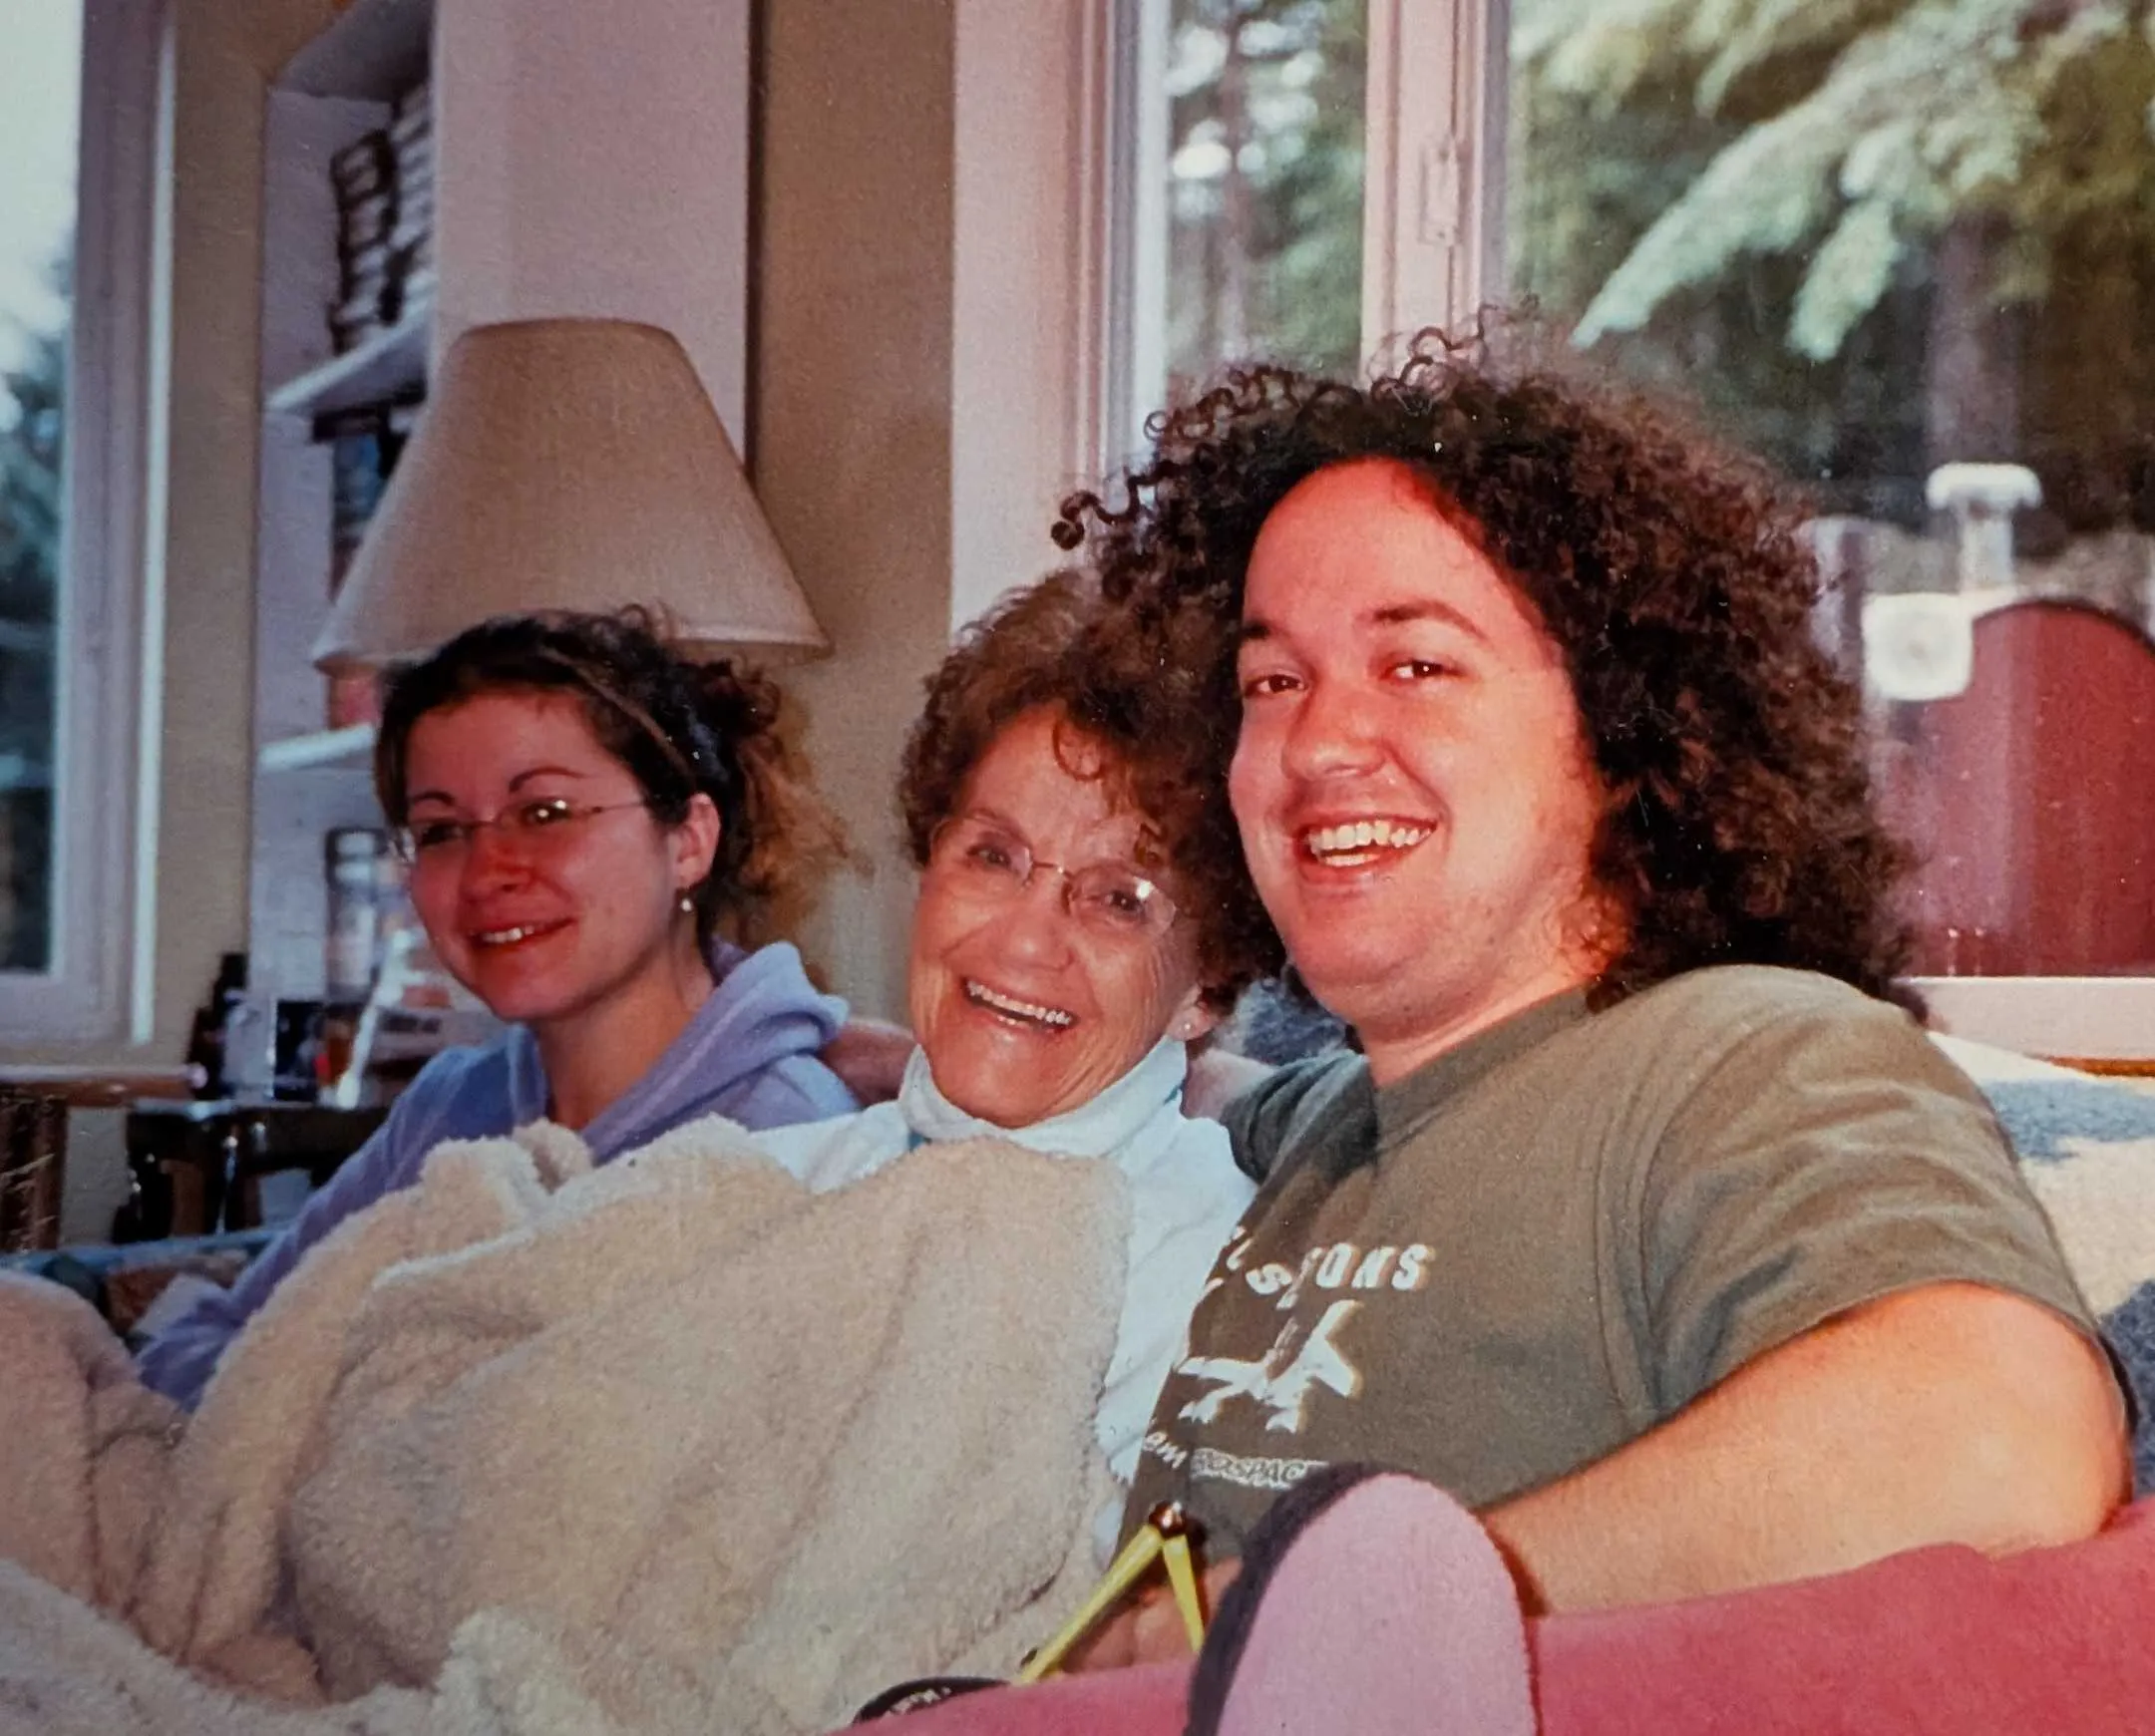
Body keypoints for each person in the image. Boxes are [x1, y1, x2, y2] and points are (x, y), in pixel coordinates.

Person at [1050, 329, 2130, 1632]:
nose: (1318, 738)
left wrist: (1311, 1626)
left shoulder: (1750, 1053)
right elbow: (1190, 1087)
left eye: (1417, 664)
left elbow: (1997, 1439)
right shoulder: (1329, 1115)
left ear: (1623, 729)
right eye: (1271, 681)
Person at [139, 608, 866, 1409]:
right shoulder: (453, 1106)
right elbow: (222, 1342)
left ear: (688, 840)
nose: (487, 870)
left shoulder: (789, 1139)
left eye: (545, 812)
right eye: (442, 828)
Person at [746, 569, 1278, 1557]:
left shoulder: (1209, 1281)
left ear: (1205, 985)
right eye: (993, 856)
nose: (1025, 942)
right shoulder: (772, 1183)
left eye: (1120, 898)